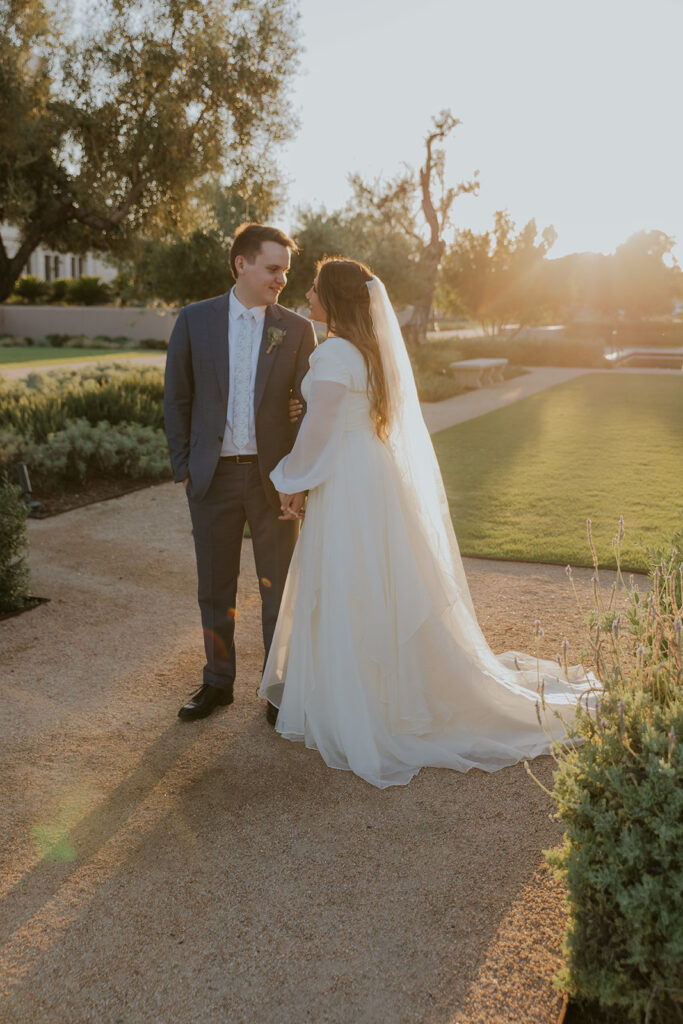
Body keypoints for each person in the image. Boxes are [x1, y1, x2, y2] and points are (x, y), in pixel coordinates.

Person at [259, 257, 595, 788]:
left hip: (347, 480)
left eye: (315, 288)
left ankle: (365, 704)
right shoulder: (369, 353)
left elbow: (318, 435)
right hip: (375, 476)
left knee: (350, 580)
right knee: (380, 579)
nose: (307, 294)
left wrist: (289, 483)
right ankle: (385, 690)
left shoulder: (333, 357)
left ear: (335, 301)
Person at [164, 223, 316, 721]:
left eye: (286, 272)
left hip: (276, 482)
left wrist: (300, 465)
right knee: (215, 586)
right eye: (273, 269)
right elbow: (178, 399)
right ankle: (217, 683)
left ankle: (276, 688)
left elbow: (313, 402)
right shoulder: (194, 320)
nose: (281, 280)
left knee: (277, 587)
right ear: (241, 264)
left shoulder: (296, 329)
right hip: (212, 476)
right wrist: (185, 469)